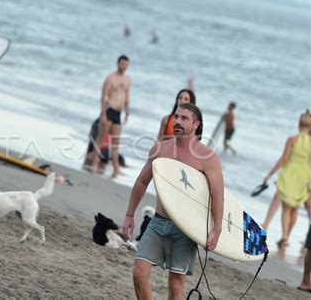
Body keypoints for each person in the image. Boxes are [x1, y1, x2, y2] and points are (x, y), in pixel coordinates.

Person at [123, 102, 224, 300]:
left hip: (186, 228)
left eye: (184, 118)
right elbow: (143, 181)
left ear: (196, 125)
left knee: (176, 284)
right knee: (139, 273)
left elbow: (217, 194)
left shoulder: (207, 158)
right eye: (176, 117)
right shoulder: (160, 148)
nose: (177, 121)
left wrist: (216, 229)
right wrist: (129, 214)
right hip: (158, 221)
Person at [261, 109, 311, 246]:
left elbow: (284, 159)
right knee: (295, 206)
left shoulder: (292, 139)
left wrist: (270, 173)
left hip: (290, 173)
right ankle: (287, 236)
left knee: (286, 206)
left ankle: (284, 235)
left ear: (298, 124)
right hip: (304, 175)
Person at [91, 55, 131, 178]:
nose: (124, 66)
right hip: (109, 111)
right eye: (122, 63)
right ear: (118, 63)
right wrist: (103, 114)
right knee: (101, 138)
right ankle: (94, 163)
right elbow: (103, 97)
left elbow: (127, 97)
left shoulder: (128, 80)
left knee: (116, 142)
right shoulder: (110, 78)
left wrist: (127, 112)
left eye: (126, 64)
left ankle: (116, 168)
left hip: (118, 113)